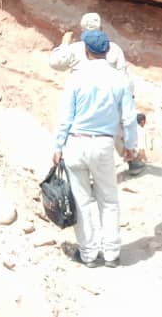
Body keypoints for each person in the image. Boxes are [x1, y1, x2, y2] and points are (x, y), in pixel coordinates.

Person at [52, 29, 138, 268]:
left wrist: (58, 145)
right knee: (108, 199)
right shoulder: (119, 79)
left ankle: (88, 254)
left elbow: (65, 116)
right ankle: (111, 254)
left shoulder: (76, 78)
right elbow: (129, 117)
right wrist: (130, 146)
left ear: (86, 51)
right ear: (108, 50)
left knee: (81, 201)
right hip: (103, 144)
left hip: (75, 143)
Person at [49, 12, 128, 75]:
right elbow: (123, 75)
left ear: (82, 30)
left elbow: (55, 64)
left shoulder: (76, 48)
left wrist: (65, 44)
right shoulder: (114, 48)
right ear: (101, 28)